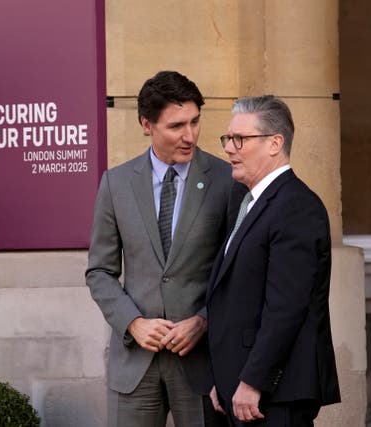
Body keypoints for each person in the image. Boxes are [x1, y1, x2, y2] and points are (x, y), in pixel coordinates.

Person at [86, 71, 232, 427]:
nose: (190, 135)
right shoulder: (116, 183)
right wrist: (132, 322)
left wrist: (204, 320)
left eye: (195, 122)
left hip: (201, 363)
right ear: (146, 124)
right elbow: (99, 272)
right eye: (176, 125)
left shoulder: (227, 181)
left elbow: (237, 272)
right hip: (135, 363)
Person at [207, 96, 340, 426]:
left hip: (273, 395)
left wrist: (254, 381)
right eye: (228, 139)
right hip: (239, 388)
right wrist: (222, 378)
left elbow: (286, 307)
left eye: (240, 139)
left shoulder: (296, 206)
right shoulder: (250, 201)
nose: (229, 149)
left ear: (275, 143)